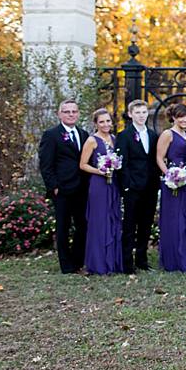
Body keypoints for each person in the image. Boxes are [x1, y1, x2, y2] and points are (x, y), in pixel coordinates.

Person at [38, 99, 89, 274]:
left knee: (83, 225)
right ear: (59, 114)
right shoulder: (51, 135)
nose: (71, 114)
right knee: (63, 228)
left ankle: (77, 261)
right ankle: (66, 265)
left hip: (82, 189)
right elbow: (46, 165)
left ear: (78, 113)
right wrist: (54, 187)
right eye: (67, 111)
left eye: (74, 111)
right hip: (63, 189)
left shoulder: (83, 134)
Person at [156, 102, 186, 273]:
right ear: (174, 117)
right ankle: (175, 259)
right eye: (181, 116)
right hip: (173, 179)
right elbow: (160, 158)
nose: (185, 119)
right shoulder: (168, 134)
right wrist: (170, 175)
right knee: (175, 218)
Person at [78, 108, 124, 275]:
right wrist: (100, 171)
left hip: (113, 184)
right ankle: (98, 263)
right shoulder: (92, 140)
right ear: (96, 124)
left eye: (108, 121)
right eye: (102, 122)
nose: (106, 124)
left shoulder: (113, 138)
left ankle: (112, 261)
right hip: (98, 184)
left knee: (113, 219)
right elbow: (82, 164)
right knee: (99, 221)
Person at [115, 99, 159, 272]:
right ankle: (127, 263)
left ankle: (142, 259)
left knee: (146, 224)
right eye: (137, 112)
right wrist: (127, 186)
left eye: (144, 112)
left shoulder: (153, 135)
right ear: (130, 114)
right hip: (133, 187)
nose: (141, 116)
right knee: (130, 225)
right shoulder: (124, 136)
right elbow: (122, 163)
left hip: (150, 186)